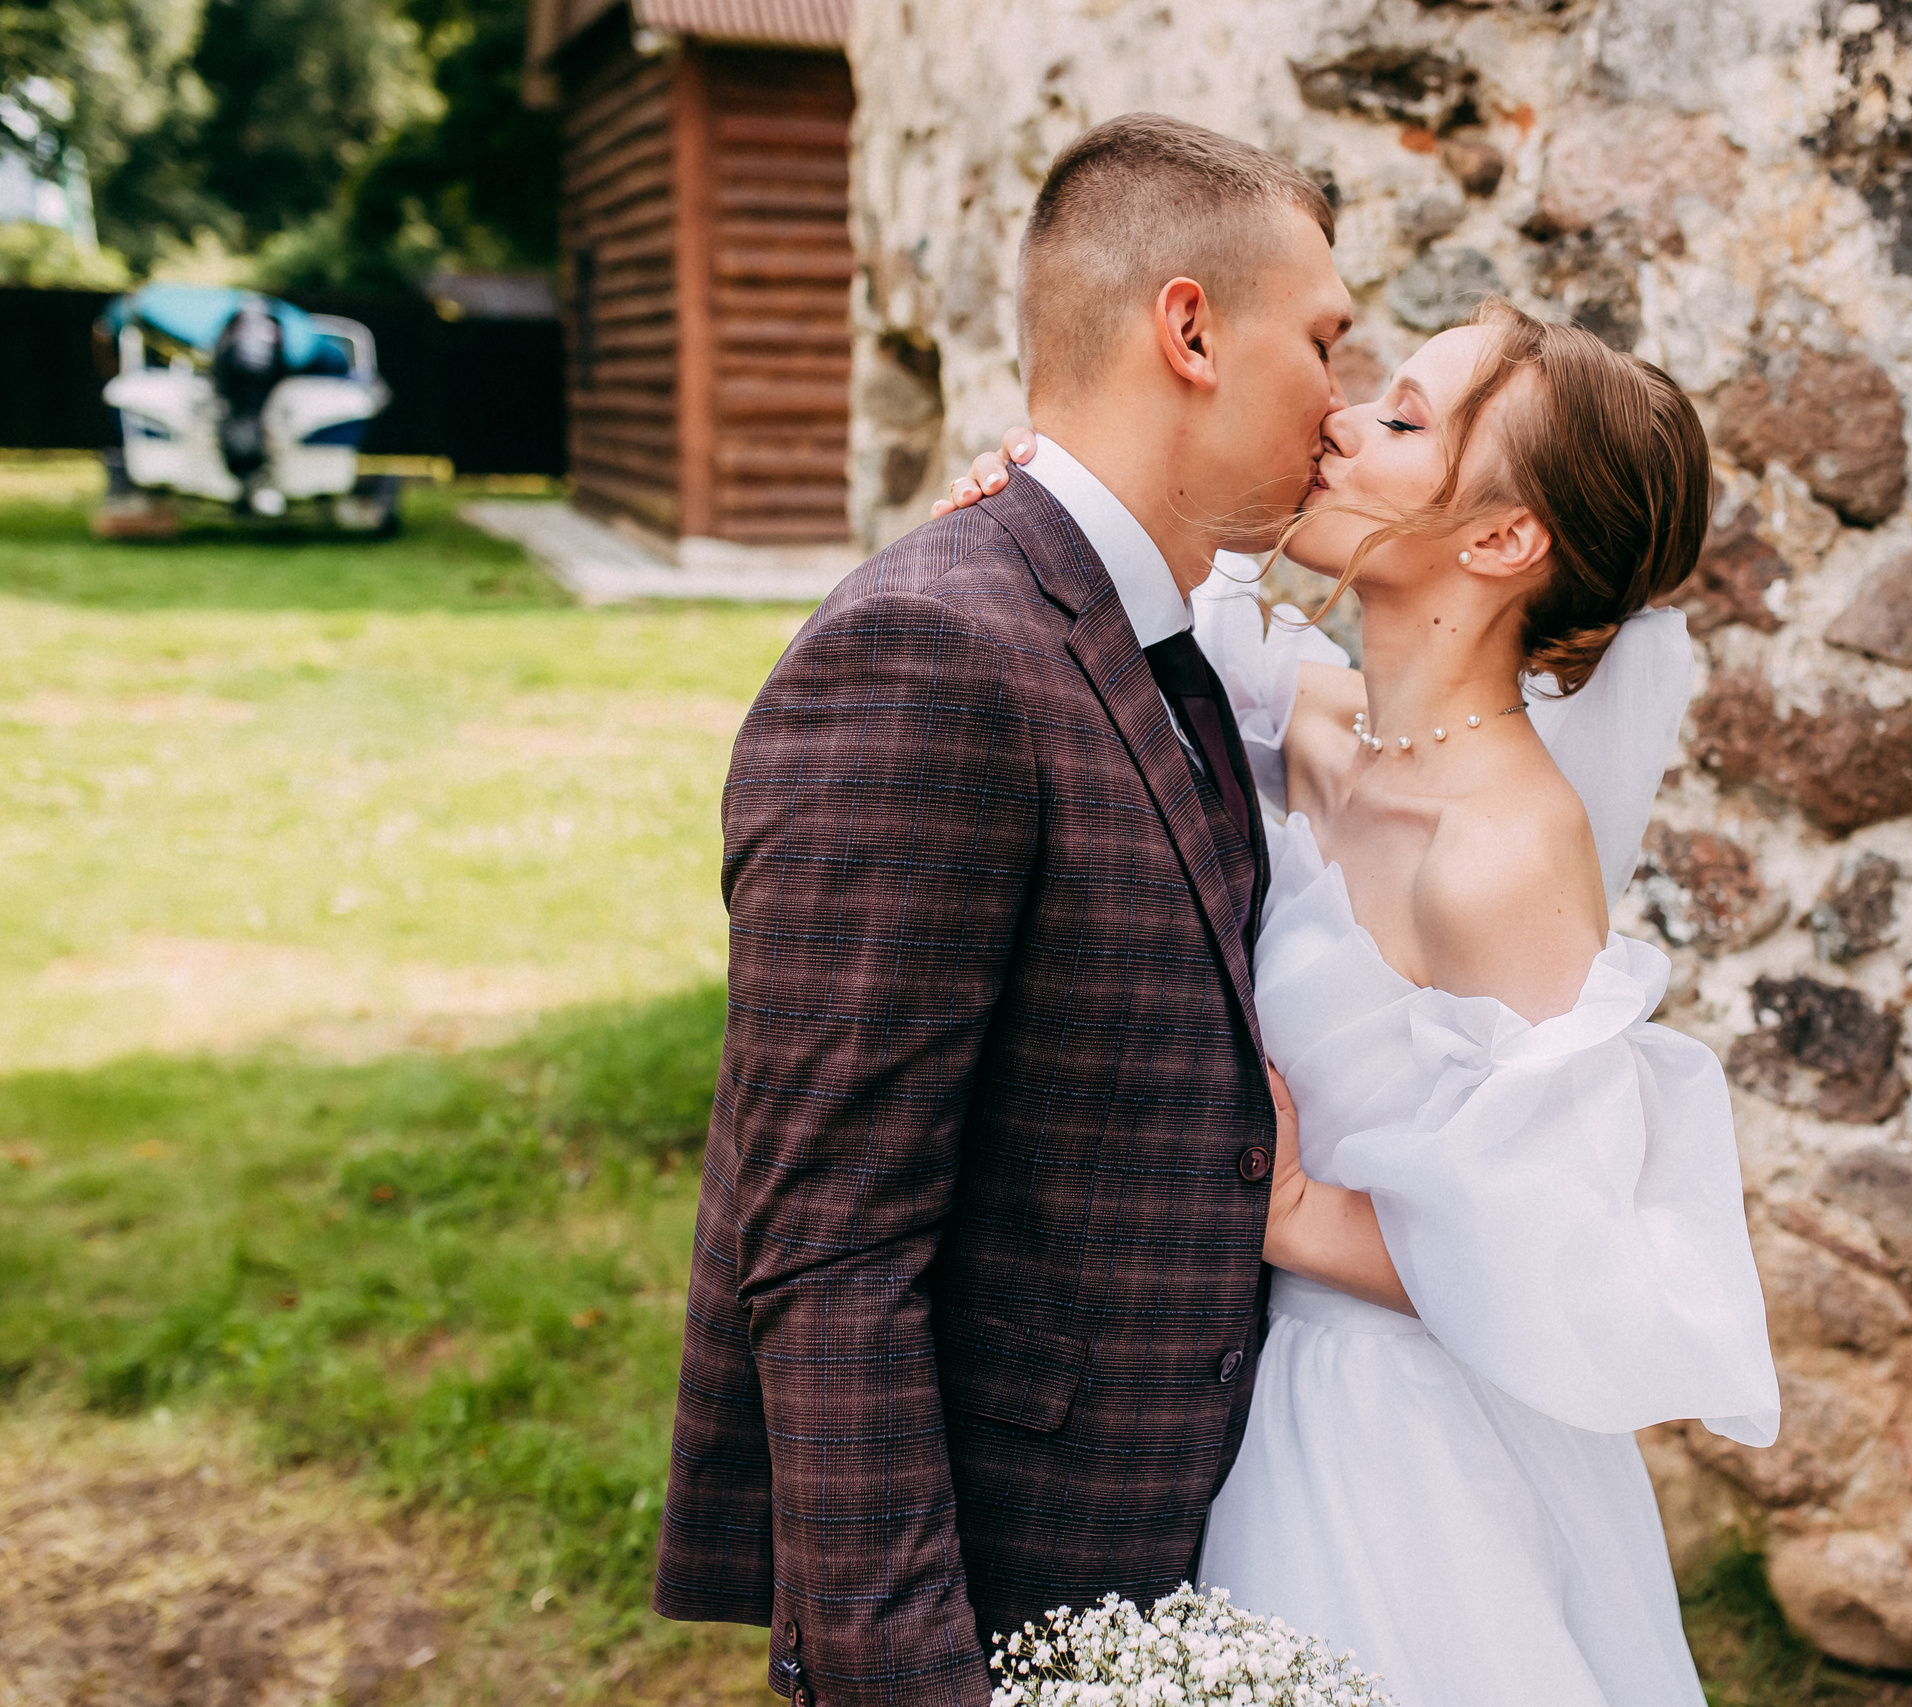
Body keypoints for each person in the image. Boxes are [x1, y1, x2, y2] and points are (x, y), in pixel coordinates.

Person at [938, 299, 1781, 1707]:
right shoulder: (1330, 732)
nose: (1338, 421)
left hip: (1396, 1445)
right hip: (1240, 1382)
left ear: (1504, 543)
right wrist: (1044, 498)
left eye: (1400, 421)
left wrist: (1277, 1203)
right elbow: (1141, 632)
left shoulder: (1502, 856)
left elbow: (1554, 1262)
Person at [652, 113, 1356, 1707]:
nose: (1343, 398)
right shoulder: (926, 657)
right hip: (994, 1594)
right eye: (1324, 341)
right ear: (1189, 330)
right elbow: (825, 1248)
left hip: (1179, 1552)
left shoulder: (1163, 632)